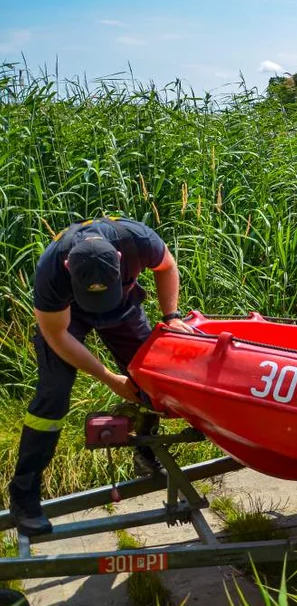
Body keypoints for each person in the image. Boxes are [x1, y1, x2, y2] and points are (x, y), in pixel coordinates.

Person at [7, 216, 194, 536]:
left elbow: (167, 267)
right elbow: (57, 335)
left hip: (122, 305)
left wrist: (171, 317)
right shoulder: (51, 268)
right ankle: (24, 495)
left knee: (152, 378)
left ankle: (146, 452)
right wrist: (109, 378)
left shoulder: (136, 240)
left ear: (119, 260)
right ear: (68, 267)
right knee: (52, 396)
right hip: (67, 319)